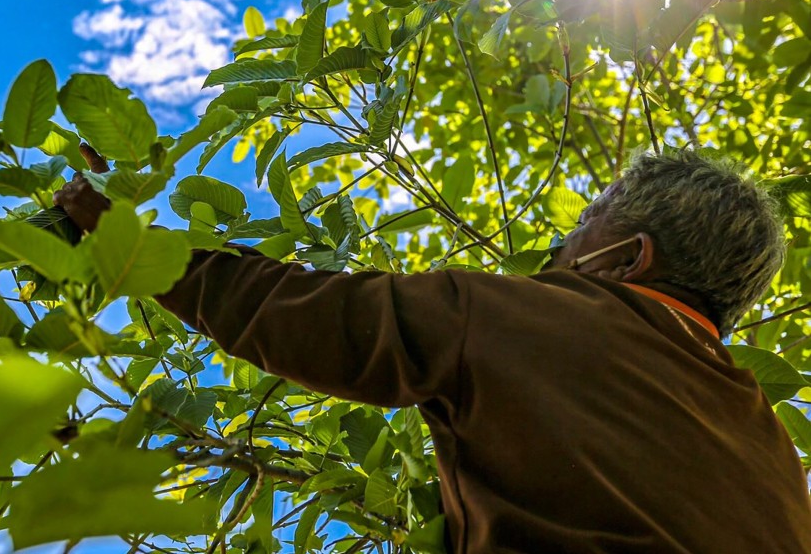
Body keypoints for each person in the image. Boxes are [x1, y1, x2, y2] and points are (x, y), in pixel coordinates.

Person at [55, 147, 811, 553]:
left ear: (624, 260)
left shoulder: (527, 315)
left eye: (585, 222)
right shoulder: (774, 450)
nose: (557, 245)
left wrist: (123, 237)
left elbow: (302, 315)